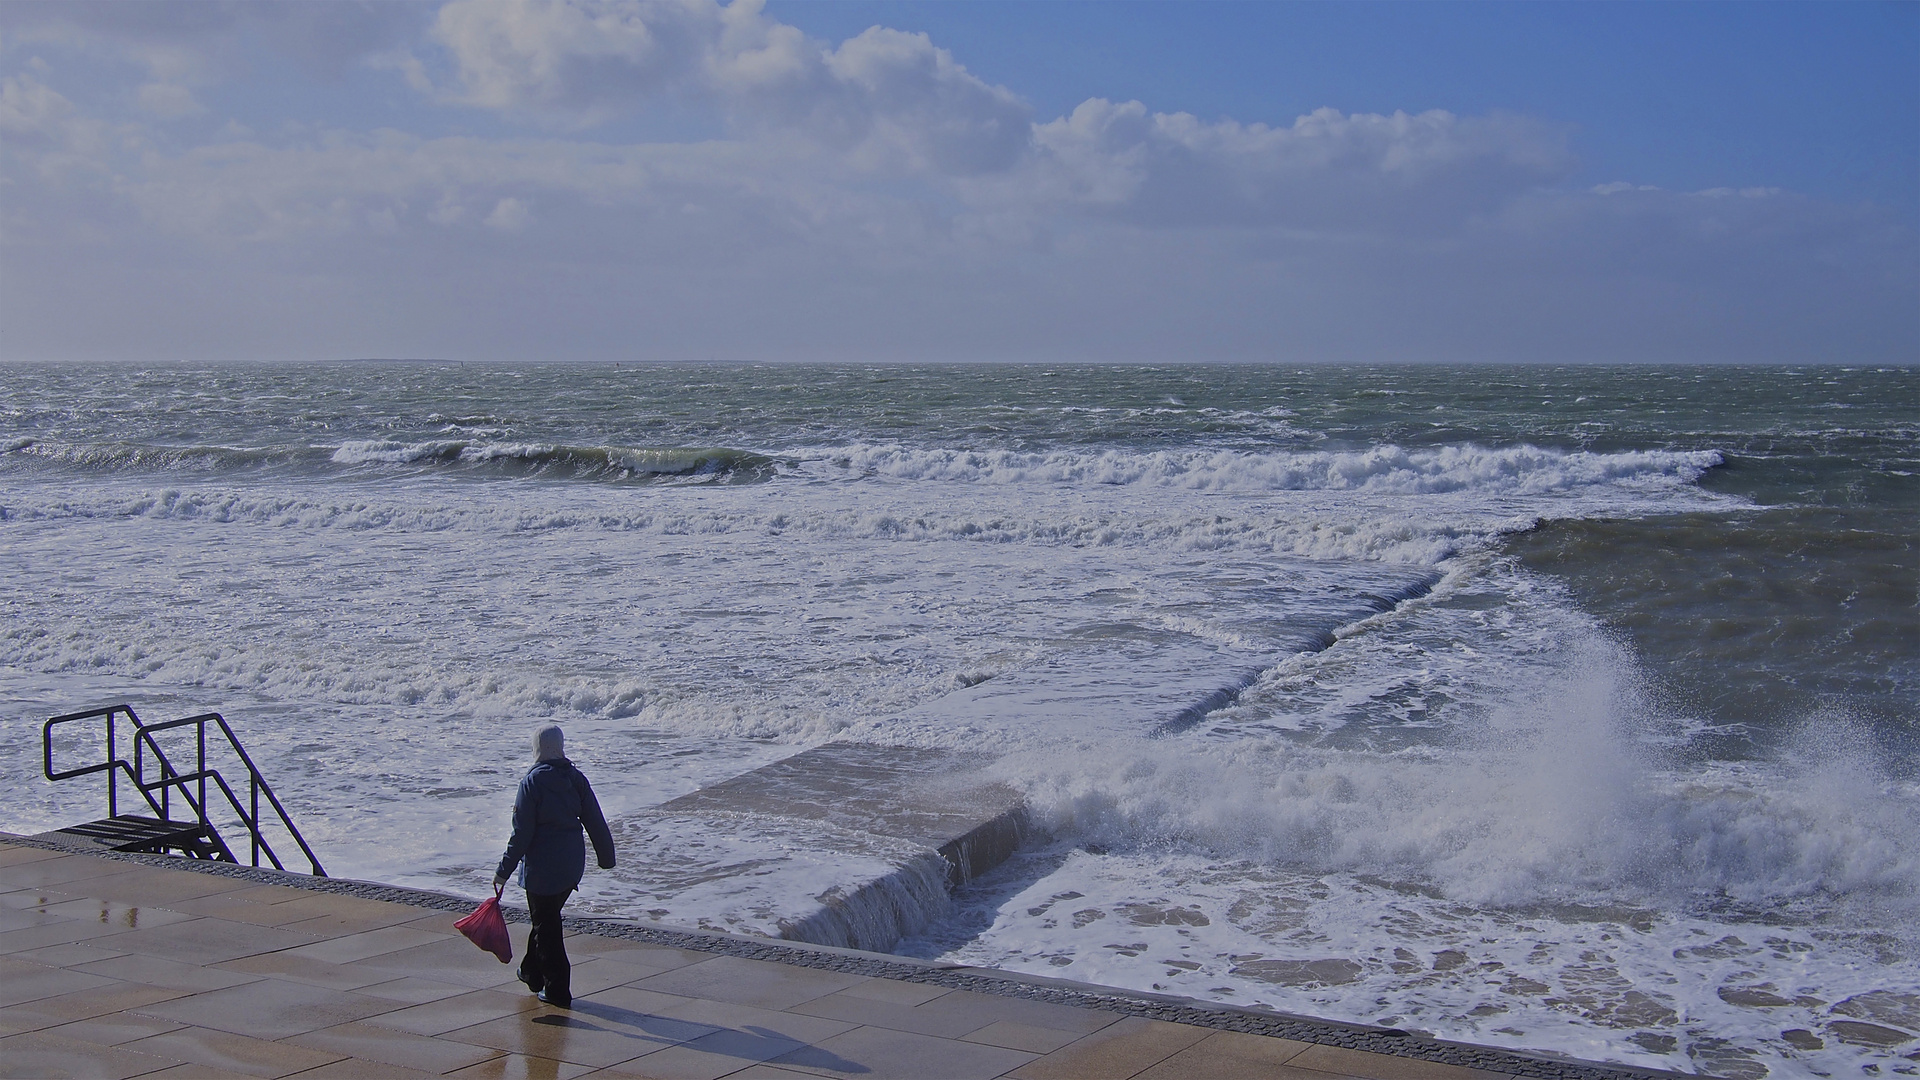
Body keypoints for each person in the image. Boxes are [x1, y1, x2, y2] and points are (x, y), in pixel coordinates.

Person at [493, 723, 615, 1008]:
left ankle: (557, 989)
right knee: (545, 920)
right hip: (571, 867)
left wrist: (503, 871)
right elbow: (595, 821)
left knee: (547, 928)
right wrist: (606, 858)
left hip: (542, 872)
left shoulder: (532, 783)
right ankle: (530, 972)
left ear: (537, 748)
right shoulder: (575, 778)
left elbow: (521, 834)